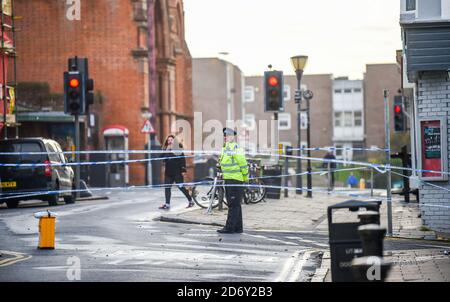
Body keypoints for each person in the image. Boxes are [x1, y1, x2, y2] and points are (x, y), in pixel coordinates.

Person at [217, 128, 249, 234]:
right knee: (236, 204)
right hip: (229, 178)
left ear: (232, 137)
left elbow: (243, 164)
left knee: (232, 204)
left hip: (235, 179)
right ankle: (238, 228)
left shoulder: (235, 148)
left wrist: (245, 178)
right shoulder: (225, 148)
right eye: (224, 135)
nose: (225, 137)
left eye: (227, 135)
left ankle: (229, 227)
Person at [158, 134, 194, 210]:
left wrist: (183, 170)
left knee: (181, 187)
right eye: (168, 140)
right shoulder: (166, 149)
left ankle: (190, 201)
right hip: (168, 172)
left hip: (177, 172)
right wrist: (167, 150)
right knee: (167, 188)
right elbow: (162, 158)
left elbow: (182, 159)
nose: (170, 141)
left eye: (171, 140)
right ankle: (167, 204)